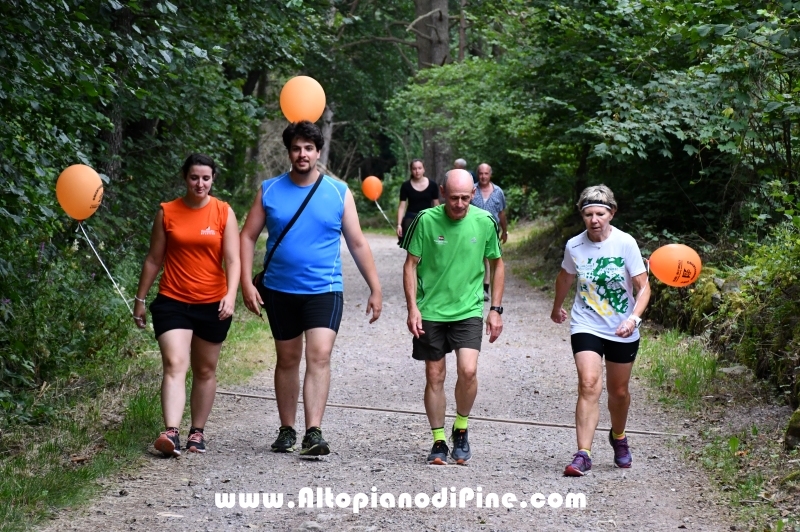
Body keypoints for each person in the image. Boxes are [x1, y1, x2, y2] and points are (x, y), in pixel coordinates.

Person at [240, 120, 382, 458]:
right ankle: (287, 429)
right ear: (289, 152)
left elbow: (358, 243)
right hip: (279, 289)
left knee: (319, 355)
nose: (302, 154)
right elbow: (246, 236)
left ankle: (313, 431)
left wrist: (375, 288)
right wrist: (246, 282)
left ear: (318, 152)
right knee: (287, 358)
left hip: (324, 289)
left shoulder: (338, 191)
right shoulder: (269, 190)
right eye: (296, 148)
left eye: (308, 148)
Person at [132, 153, 240, 457]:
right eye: (194, 177)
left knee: (205, 369)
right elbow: (154, 259)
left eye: (206, 178)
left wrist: (231, 294)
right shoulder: (168, 212)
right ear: (185, 178)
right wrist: (140, 299)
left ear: (213, 179)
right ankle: (170, 432)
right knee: (175, 364)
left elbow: (232, 259)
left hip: (212, 303)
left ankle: (197, 432)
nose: (200, 183)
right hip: (173, 301)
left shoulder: (223, 212)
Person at [401, 169, 504, 465]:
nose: (459, 204)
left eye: (465, 198)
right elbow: (410, 265)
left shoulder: (484, 222)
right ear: (443, 192)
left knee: (468, 371)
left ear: (473, 195)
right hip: (431, 310)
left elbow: (497, 265)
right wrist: (413, 308)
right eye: (453, 197)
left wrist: (495, 310)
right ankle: (438, 440)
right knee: (435, 375)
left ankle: (461, 427)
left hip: (468, 309)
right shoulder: (425, 220)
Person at [550, 184, 650, 476]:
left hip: (622, 326)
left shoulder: (625, 243)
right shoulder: (574, 245)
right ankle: (583, 453)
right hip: (586, 323)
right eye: (588, 214)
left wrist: (633, 319)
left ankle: (618, 436)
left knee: (618, 392)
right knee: (589, 383)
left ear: (611, 213)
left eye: (600, 214)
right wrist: (557, 307)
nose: (594, 220)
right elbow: (565, 277)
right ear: (582, 216)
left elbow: (644, 288)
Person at [470, 163, 508, 301]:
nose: (483, 176)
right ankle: (474, 287)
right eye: (480, 173)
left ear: (490, 174)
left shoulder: (498, 192)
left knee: (489, 258)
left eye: (486, 173)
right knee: (476, 258)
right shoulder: (471, 189)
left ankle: (485, 289)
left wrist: (505, 231)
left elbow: (502, 213)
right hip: (472, 230)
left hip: (492, 230)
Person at [396, 158, 439, 245]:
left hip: (427, 218)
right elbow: (402, 206)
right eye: (414, 168)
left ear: (424, 169)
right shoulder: (406, 186)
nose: (417, 171)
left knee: (428, 245)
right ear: (411, 170)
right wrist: (399, 224)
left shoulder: (433, 185)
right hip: (411, 218)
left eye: (419, 168)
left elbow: (436, 205)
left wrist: (438, 221)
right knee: (411, 246)